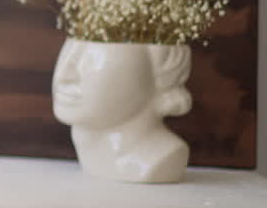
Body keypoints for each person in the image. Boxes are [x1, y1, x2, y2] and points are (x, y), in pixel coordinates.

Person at [52, 39, 191, 183]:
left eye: (91, 60)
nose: (63, 75)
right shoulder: (88, 147)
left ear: (160, 77)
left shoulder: (161, 158)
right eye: (67, 49)